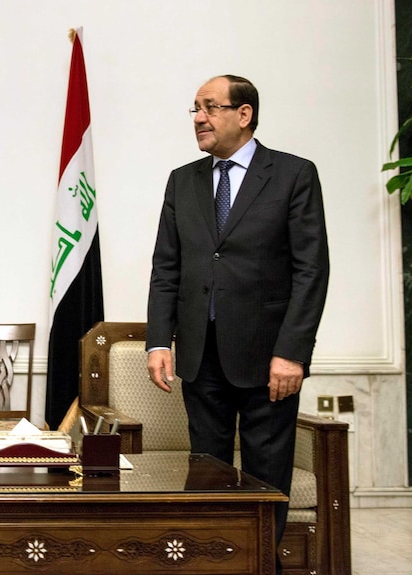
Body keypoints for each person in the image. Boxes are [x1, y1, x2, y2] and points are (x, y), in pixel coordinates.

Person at [146, 75, 329, 561]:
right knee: (207, 473)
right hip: (200, 356)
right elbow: (166, 266)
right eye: (195, 109)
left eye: (210, 107)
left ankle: (261, 565)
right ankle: (213, 565)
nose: (199, 118)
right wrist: (159, 340)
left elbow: (311, 270)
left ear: (243, 114)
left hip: (270, 358)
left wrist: (292, 352)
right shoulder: (182, 179)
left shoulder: (293, 174)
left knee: (267, 477)